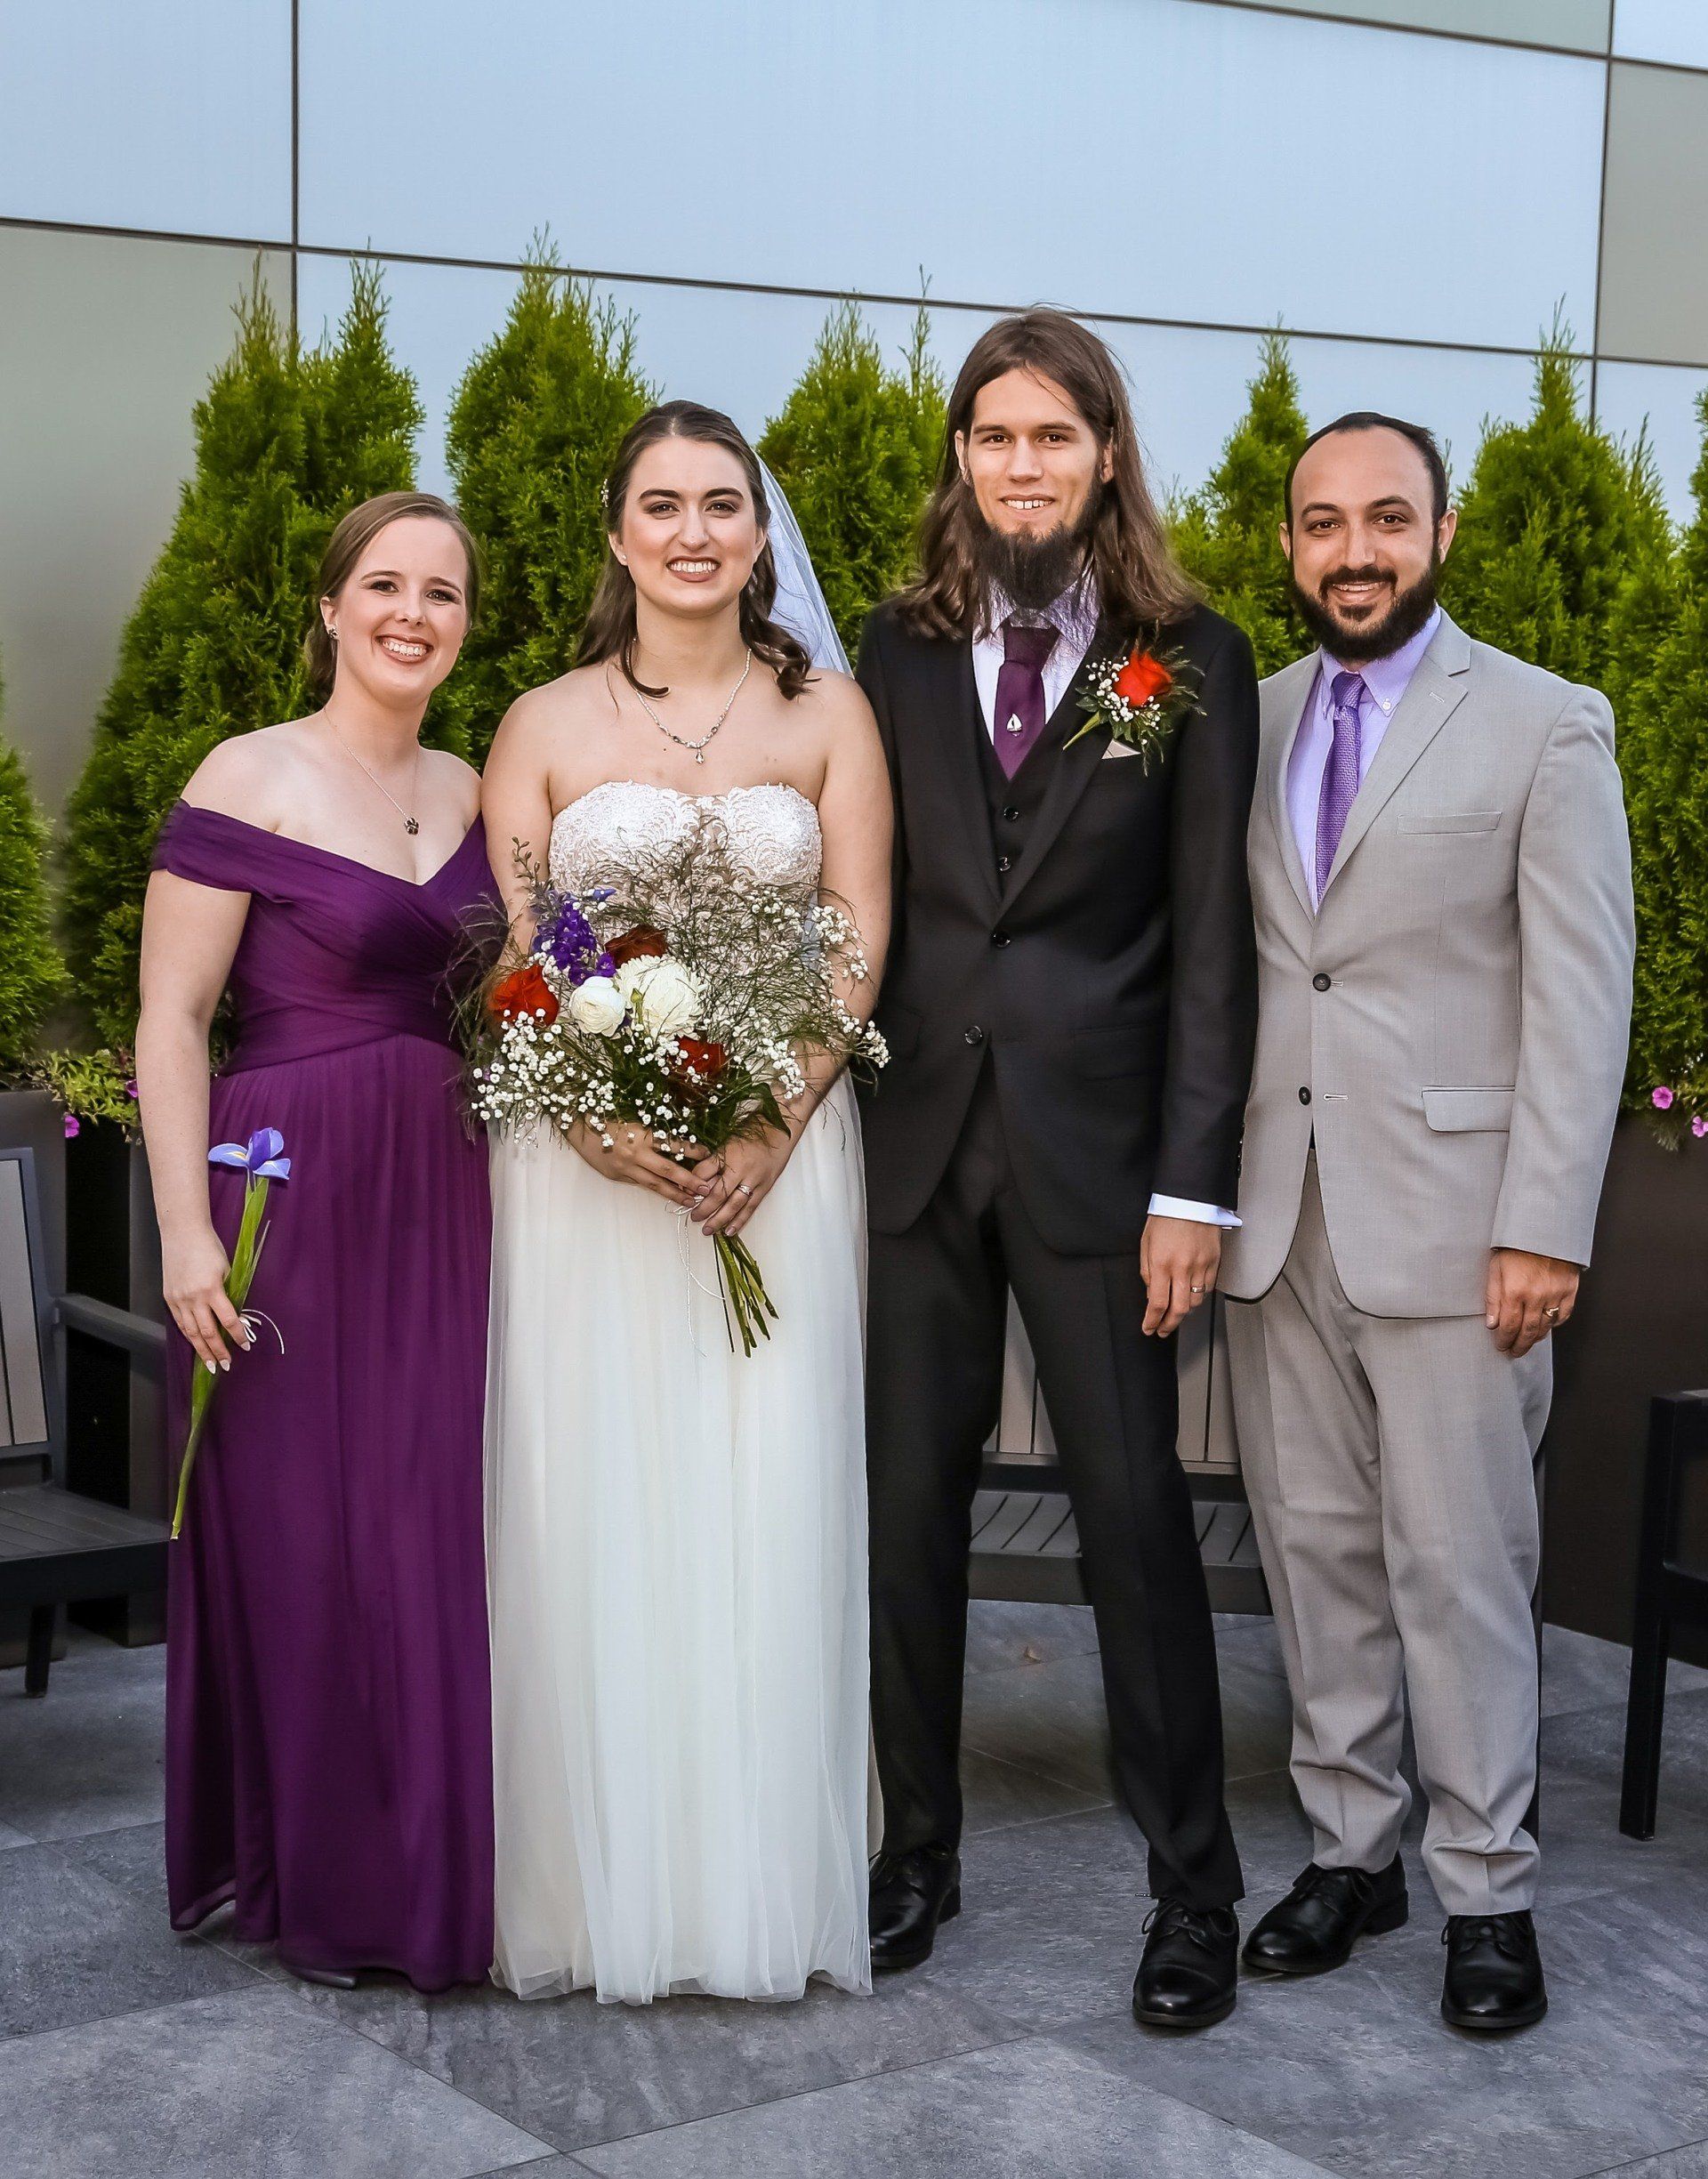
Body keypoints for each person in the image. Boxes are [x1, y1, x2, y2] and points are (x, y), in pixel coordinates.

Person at [857, 311, 1259, 2030]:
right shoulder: (888, 652)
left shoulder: (1193, 656)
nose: (1022, 464)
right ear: (962, 456)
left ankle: (1193, 1894)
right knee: (901, 1530)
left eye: (1055, 436)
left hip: (1108, 1174)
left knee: (1135, 1531)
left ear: (1106, 456)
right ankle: (913, 1852)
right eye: (994, 434)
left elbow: (1215, 948)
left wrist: (1195, 1185)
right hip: (912, 1158)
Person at [1222, 414, 1635, 2030]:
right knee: (1318, 1554)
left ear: (1442, 532)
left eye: (1386, 518)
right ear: (1288, 547)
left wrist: (1549, 1221)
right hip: (1281, 1214)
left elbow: (1583, 996)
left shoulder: (1546, 723)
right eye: (1323, 524)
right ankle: (1355, 1847)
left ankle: (1486, 1885)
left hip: (1469, 1231)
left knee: (1460, 1563)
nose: (1354, 551)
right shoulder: (1238, 728)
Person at [479, 402, 892, 2005]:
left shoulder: (830, 714)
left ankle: (751, 1897)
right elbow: (525, 949)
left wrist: (779, 1114)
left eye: (724, 503)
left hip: (776, 1159)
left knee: (767, 1502)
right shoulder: (542, 720)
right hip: (588, 1176)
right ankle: (602, 1896)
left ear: (762, 532)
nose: (695, 531)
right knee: (599, 1504)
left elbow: (858, 924)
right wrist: (591, 1110)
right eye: (663, 505)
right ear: (615, 532)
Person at [136, 490, 496, 1991]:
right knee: (309, 1541)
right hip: (281, 1186)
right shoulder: (251, 771)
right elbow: (170, 1019)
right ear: (334, 606)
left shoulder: (476, 786)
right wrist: (180, 1235)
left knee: (423, 1528)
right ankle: (328, 1886)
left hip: (446, 1186)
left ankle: (426, 1876)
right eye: (388, 586)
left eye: (446, 593)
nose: (415, 613)